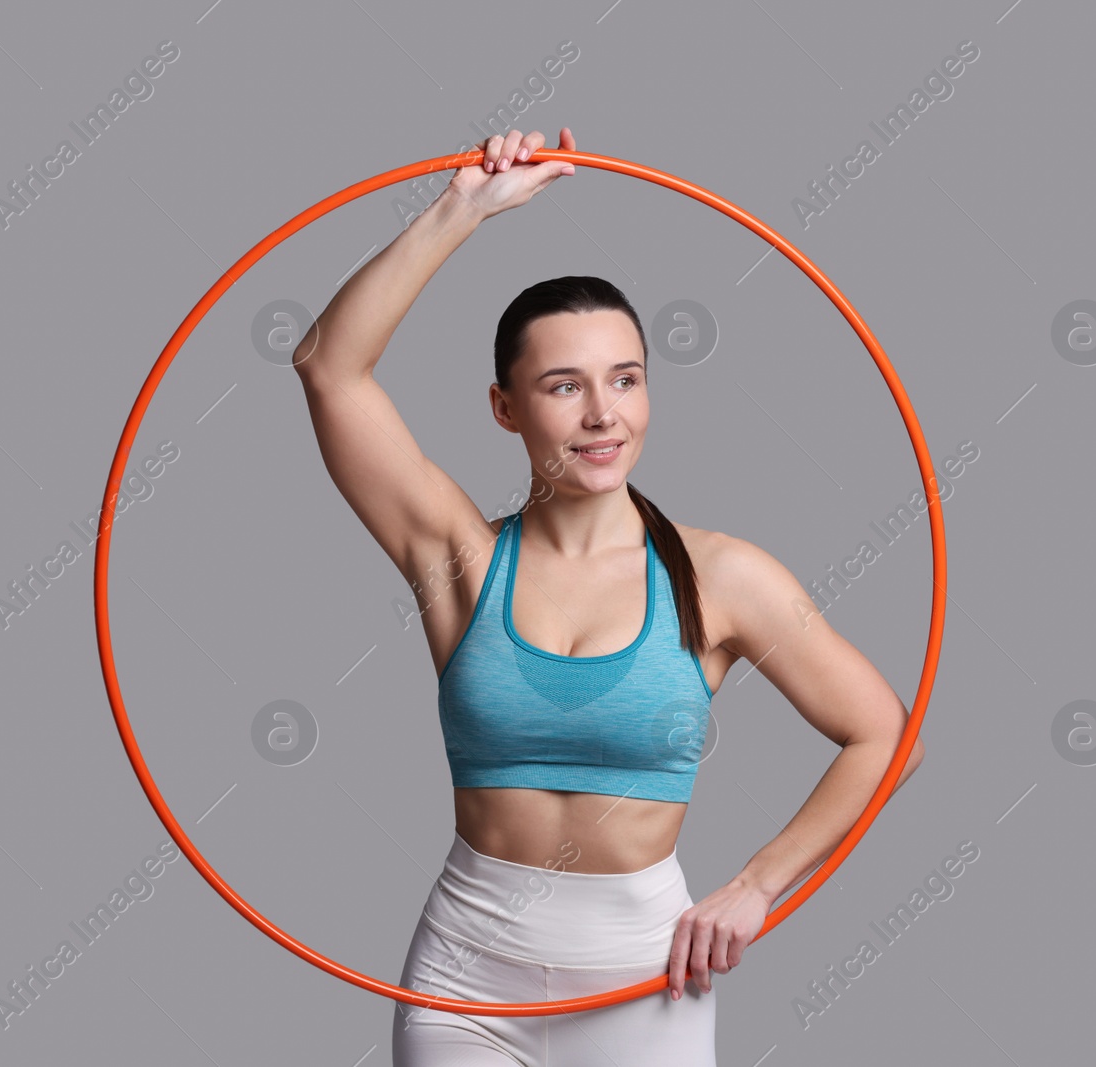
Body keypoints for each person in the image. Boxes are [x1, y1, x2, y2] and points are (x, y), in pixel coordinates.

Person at [291, 126, 925, 1066]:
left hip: (642, 976)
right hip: (466, 976)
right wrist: (463, 207)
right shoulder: (458, 558)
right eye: (563, 385)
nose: (603, 415)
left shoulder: (720, 576)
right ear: (505, 407)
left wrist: (758, 884)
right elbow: (327, 366)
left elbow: (887, 736)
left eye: (625, 379)